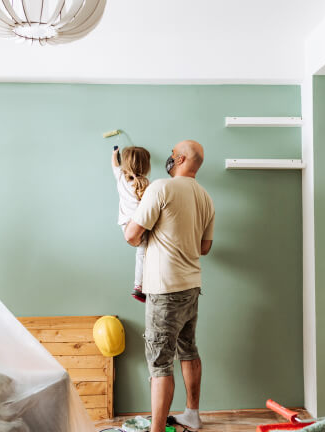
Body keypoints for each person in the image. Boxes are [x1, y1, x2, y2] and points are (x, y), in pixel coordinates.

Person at [124, 140, 215, 431]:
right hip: (191, 287)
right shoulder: (206, 197)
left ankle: (158, 429)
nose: (171, 157)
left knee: (160, 362)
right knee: (188, 349)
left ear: (183, 158)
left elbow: (132, 236)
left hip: (164, 290)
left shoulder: (161, 188)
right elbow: (205, 247)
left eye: (174, 154)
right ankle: (192, 414)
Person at [112, 146, 152, 302]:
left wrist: (115, 153)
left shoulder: (121, 178)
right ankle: (140, 286)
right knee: (143, 255)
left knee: (142, 253)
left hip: (126, 225)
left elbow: (114, 164)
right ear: (146, 166)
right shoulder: (147, 184)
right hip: (141, 224)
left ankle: (139, 286)